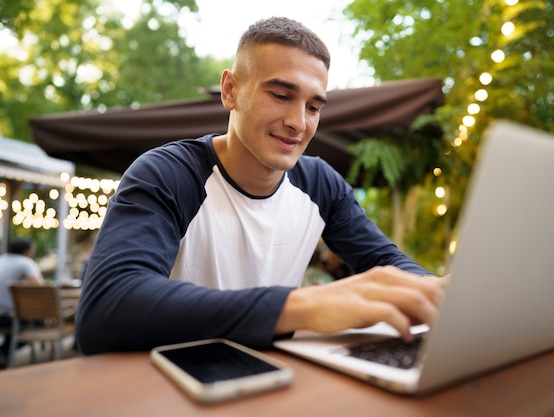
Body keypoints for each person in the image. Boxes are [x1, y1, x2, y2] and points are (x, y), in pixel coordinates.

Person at [75, 16, 445, 355]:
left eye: (313, 107)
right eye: (281, 96)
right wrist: (301, 306)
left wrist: (433, 291)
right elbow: (108, 306)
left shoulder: (320, 183)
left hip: (270, 378)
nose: (299, 123)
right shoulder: (167, 174)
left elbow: (385, 262)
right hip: (170, 385)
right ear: (230, 90)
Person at [0, 238, 46, 360]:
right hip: (7, 315)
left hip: (4, 313)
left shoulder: (2, 259)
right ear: (27, 251)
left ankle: (4, 352)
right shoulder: (25, 262)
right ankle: (4, 352)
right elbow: (41, 288)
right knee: (38, 323)